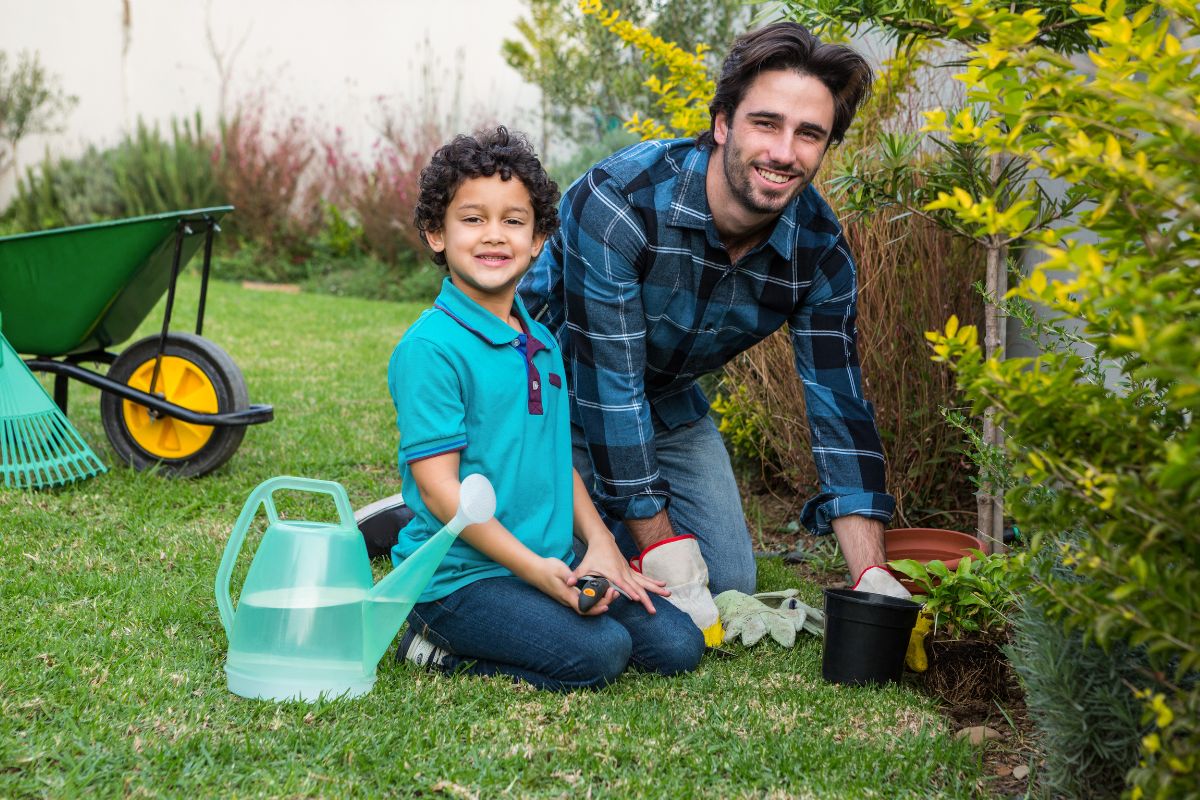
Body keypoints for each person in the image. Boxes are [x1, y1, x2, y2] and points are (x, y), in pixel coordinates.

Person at [518, 22, 912, 627]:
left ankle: (595, 521)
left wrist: (871, 574)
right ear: (723, 123)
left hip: (668, 400)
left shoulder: (821, 253)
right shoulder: (623, 199)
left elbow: (841, 412)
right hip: (544, 388)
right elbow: (611, 393)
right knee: (552, 559)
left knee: (729, 577)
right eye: (767, 123)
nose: (785, 153)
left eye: (809, 134)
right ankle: (480, 497)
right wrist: (660, 546)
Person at [388, 127, 705, 691]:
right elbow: (441, 491)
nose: (494, 236)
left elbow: (556, 457)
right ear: (436, 234)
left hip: (553, 561)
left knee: (679, 644)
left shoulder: (541, 341)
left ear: (538, 241)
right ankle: (428, 646)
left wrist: (603, 549)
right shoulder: (429, 349)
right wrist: (534, 571)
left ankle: (552, 610)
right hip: (460, 580)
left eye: (513, 221)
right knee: (600, 655)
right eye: (472, 219)